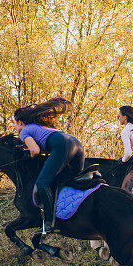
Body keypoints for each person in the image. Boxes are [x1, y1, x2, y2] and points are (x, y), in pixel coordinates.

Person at [13, 97, 85, 234]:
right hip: (77, 144)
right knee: (74, 180)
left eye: (15, 124)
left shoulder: (24, 131)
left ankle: (50, 223)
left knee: (42, 183)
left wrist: (30, 155)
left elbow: (35, 150)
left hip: (63, 145)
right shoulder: (41, 127)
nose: (15, 128)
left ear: (20, 122)